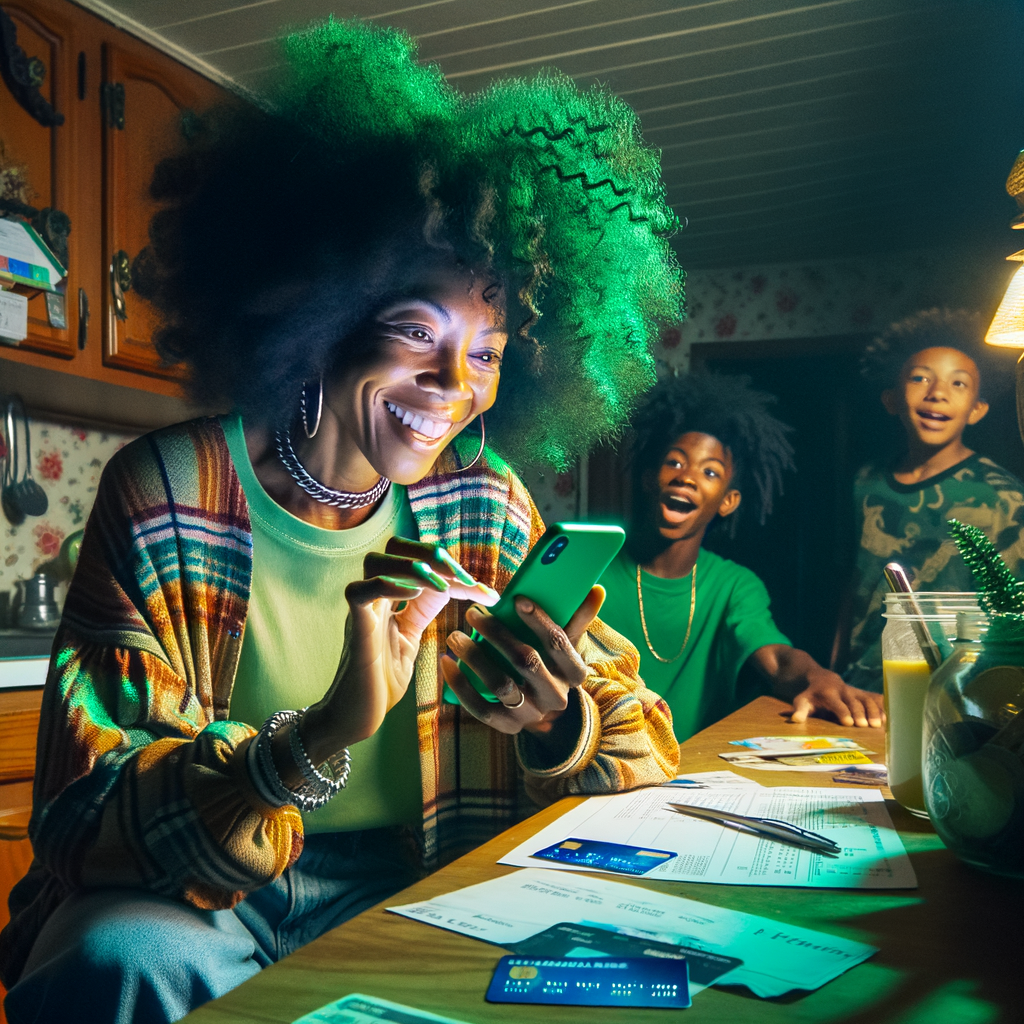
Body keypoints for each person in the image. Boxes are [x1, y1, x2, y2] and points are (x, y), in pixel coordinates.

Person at [0, 19, 684, 1024]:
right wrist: (317, 736)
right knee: (116, 956)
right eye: (417, 332)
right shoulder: (169, 487)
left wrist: (559, 721)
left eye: (487, 352)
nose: (454, 387)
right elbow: (79, 816)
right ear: (321, 314)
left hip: (413, 877)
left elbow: (646, 743)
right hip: (211, 892)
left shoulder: (483, 503)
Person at [596, 373, 885, 743]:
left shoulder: (734, 585)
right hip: (600, 766)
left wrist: (819, 677)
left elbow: (777, 660)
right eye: (676, 463)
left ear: (728, 501)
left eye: (710, 471)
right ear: (651, 480)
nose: (687, 478)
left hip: (689, 776)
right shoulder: (596, 569)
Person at [842, 308, 1024, 690]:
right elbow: (852, 587)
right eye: (921, 378)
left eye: (958, 384)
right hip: (860, 686)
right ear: (892, 399)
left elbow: (1011, 615)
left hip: (953, 691)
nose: (937, 393)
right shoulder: (864, 482)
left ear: (977, 409)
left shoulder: (1001, 495)